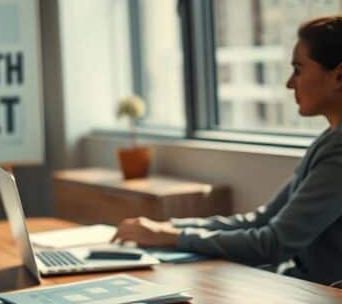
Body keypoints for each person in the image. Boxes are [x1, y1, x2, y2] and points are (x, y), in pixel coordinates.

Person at [115, 16, 342, 287]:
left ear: (339, 75)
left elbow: (273, 243)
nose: (289, 83)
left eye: (298, 69)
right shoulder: (329, 140)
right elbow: (263, 220)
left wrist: (169, 236)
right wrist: (168, 229)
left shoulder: (338, 150)